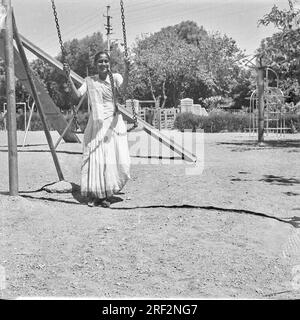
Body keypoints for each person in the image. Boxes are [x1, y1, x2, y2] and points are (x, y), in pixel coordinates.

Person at [63, 51, 131, 208]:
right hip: (96, 123)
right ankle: (95, 194)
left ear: (109, 63)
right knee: (95, 159)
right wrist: (68, 76)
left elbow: (123, 91)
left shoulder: (115, 78)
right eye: (100, 61)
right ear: (95, 64)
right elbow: (77, 95)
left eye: (106, 61)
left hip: (113, 122)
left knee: (111, 158)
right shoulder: (89, 81)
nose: (103, 64)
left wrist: (127, 69)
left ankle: (106, 193)